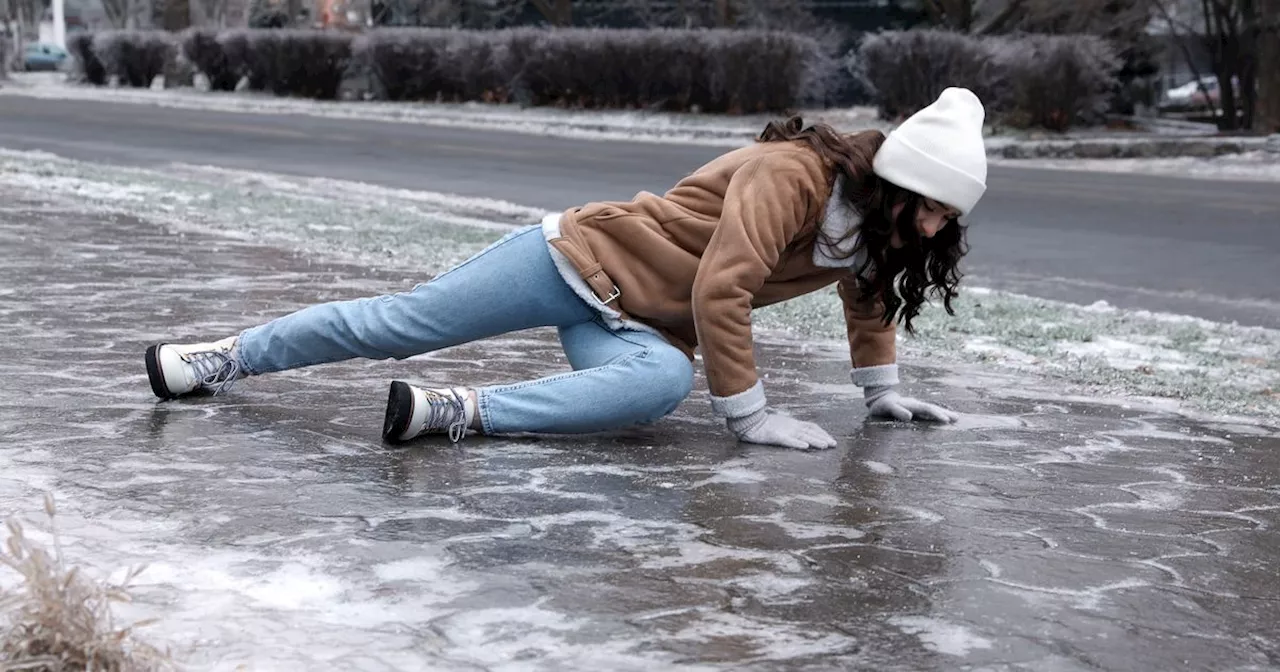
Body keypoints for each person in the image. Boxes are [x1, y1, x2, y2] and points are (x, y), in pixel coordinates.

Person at [144, 87, 987, 451]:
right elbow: (722, 286)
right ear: (894, 182)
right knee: (397, 326)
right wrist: (751, 416)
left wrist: (880, 393)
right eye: (932, 205)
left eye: (950, 215)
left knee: (656, 388)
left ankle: (454, 413)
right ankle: (221, 357)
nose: (936, 225)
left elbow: (869, 292)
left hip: (640, 323)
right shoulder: (793, 176)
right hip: (575, 258)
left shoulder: (877, 228)